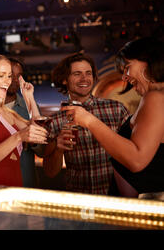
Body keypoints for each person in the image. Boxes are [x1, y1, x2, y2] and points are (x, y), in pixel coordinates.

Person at [62, 38, 164, 195]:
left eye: (127, 67)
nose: (125, 77)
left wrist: (89, 121)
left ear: (147, 61)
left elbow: (136, 160)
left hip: (141, 208)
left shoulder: (156, 96)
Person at [43, 52, 130, 195]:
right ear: (65, 79)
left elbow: (133, 155)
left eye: (88, 73)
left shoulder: (116, 109)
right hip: (79, 200)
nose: (84, 78)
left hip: (115, 198)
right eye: (77, 74)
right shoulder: (55, 121)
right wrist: (58, 150)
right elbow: (50, 172)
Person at [0, 53, 48, 187]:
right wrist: (18, 137)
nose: (8, 81)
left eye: (9, 76)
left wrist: (29, 99)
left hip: (14, 187)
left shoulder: (8, 113)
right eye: (1, 75)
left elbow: (38, 131)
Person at [5, 56, 44, 188]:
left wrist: (32, 140)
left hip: (24, 182)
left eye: (19, 76)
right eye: (10, 75)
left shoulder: (30, 108)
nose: (15, 80)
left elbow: (42, 151)